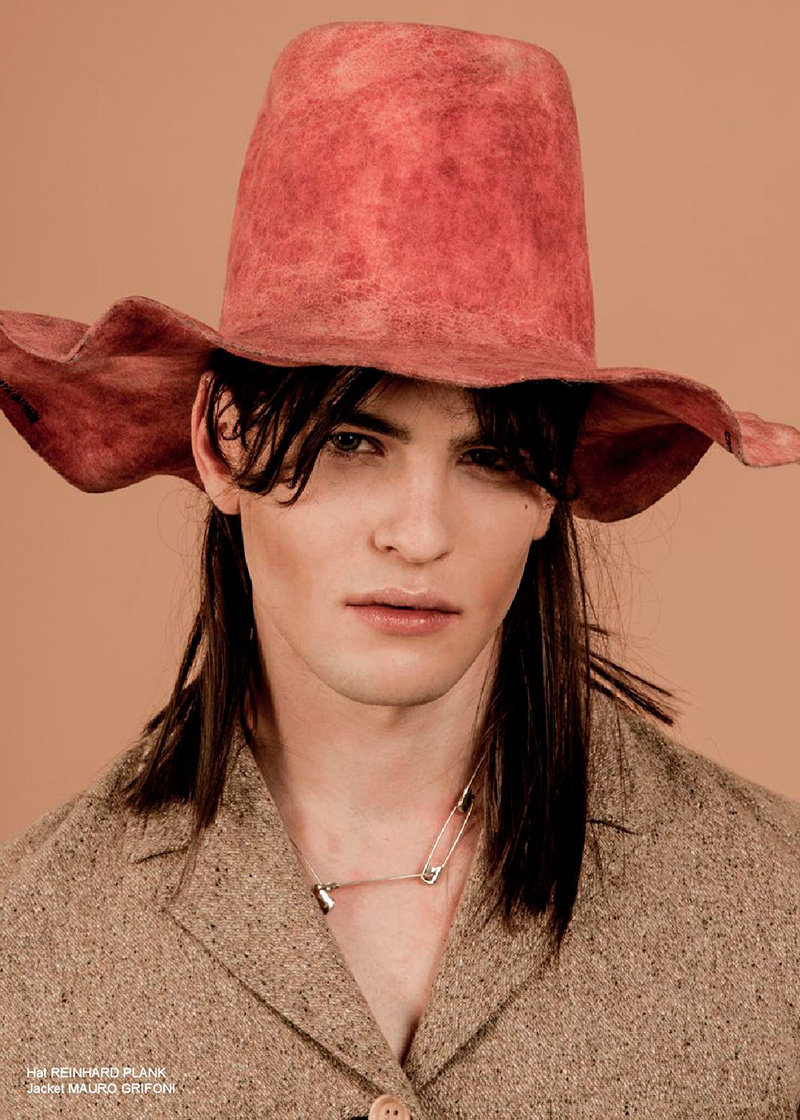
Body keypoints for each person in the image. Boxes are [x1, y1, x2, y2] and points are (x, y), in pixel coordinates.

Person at [1, 19, 798, 1120]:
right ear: (223, 445)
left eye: (491, 458)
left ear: (551, 491)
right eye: (351, 442)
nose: (420, 535)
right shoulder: (30, 962)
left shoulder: (774, 912)